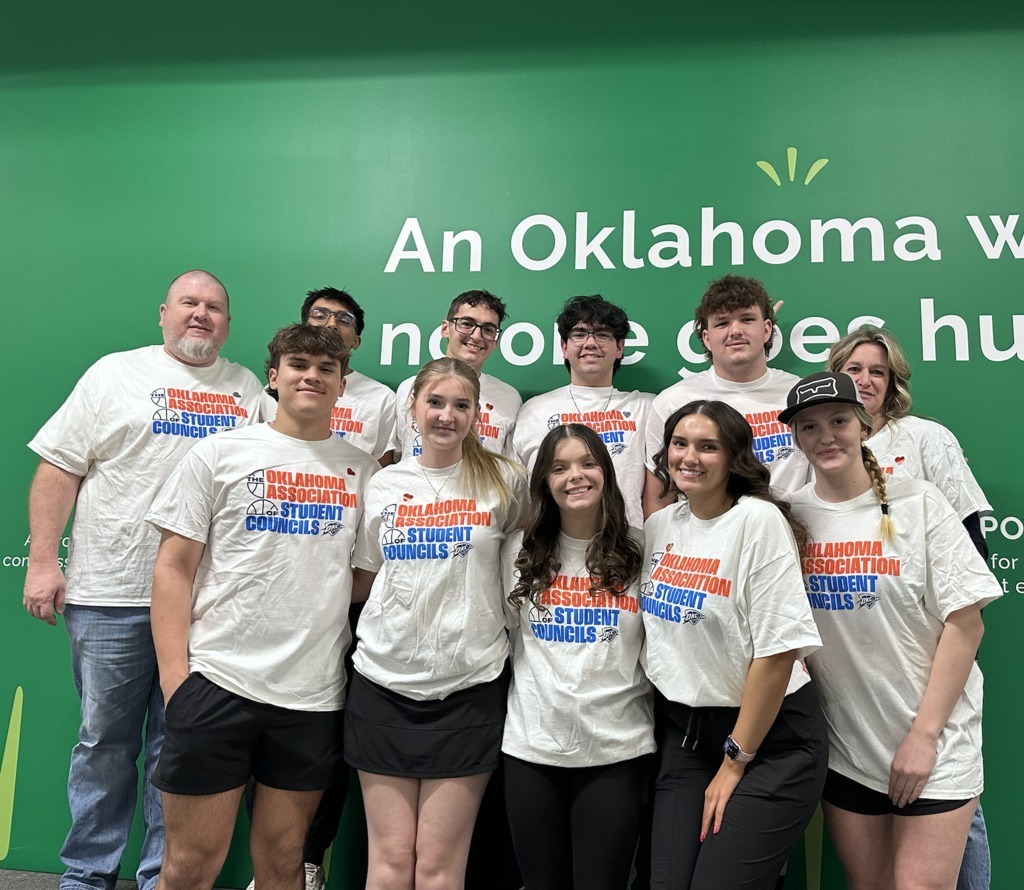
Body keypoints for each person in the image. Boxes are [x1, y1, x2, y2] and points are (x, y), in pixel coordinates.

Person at [22, 270, 264, 890]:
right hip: (110, 596)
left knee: (177, 749)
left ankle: (164, 879)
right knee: (103, 743)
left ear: (228, 324)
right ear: (163, 313)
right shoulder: (113, 374)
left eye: (214, 308)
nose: (201, 315)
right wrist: (45, 562)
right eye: (190, 303)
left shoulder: (246, 389)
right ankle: (86, 876)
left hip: (203, 606)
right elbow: (58, 468)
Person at [146, 324, 378, 890]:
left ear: (342, 384)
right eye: (298, 364)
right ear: (273, 377)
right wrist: (178, 680)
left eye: (327, 369)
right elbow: (173, 568)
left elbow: (362, 581)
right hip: (217, 683)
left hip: (311, 697)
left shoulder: (363, 470)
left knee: (282, 864)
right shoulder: (220, 453)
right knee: (189, 867)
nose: (312, 376)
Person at [779, 371, 1001, 890]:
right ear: (796, 438)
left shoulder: (918, 503)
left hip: (935, 744)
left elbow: (966, 625)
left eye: (838, 421)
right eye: (809, 427)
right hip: (850, 752)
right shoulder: (790, 517)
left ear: (863, 426)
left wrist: (924, 738)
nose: (826, 436)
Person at [346, 357, 527, 890]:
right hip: (383, 681)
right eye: (436, 402)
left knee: (439, 868)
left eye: (461, 405)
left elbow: (527, 570)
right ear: (414, 408)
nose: (447, 416)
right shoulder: (383, 484)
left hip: (468, 685)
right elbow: (365, 577)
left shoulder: (505, 482)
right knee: (390, 862)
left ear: (477, 414)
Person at [642, 399, 827, 890]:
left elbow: (778, 653)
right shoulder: (661, 527)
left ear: (733, 457)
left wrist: (734, 762)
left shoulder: (757, 521)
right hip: (687, 736)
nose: (690, 457)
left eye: (708, 447)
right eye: (680, 444)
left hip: (769, 741)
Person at [254, 286, 396, 890]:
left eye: (343, 323)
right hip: (261, 601)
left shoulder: (382, 403)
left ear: (356, 346)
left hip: (343, 592)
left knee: (324, 739)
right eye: (318, 320)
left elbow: (386, 480)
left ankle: (305, 858)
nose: (330, 330)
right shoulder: (253, 424)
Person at [501, 423, 654, 890]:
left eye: (588, 464)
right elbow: (508, 636)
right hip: (532, 747)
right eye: (560, 467)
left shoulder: (641, 549)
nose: (576, 476)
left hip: (617, 749)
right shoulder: (517, 550)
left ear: (606, 473)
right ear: (544, 480)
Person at [642, 275, 808, 519]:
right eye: (722, 323)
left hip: (789, 539)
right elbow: (659, 499)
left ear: (766, 330)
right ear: (707, 338)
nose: (736, 331)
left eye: (747, 319)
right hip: (700, 546)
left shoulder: (800, 396)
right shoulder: (672, 402)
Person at [512, 295, 652, 529]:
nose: (590, 343)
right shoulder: (533, 411)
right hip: (551, 551)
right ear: (564, 347)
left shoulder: (646, 408)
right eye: (579, 334)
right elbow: (517, 494)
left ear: (619, 348)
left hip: (625, 550)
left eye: (602, 334)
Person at [262, 286, 397, 467]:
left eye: (344, 320)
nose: (332, 324)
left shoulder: (382, 397)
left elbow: (381, 471)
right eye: (320, 315)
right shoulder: (274, 392)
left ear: (356, 341)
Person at [392, 290, 521, 461]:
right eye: (467, 324)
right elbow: (398, 456)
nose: (476, 336)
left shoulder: (509, 398)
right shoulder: (409, 388)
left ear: (496, 341)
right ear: (445, 328)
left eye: (488, 330)